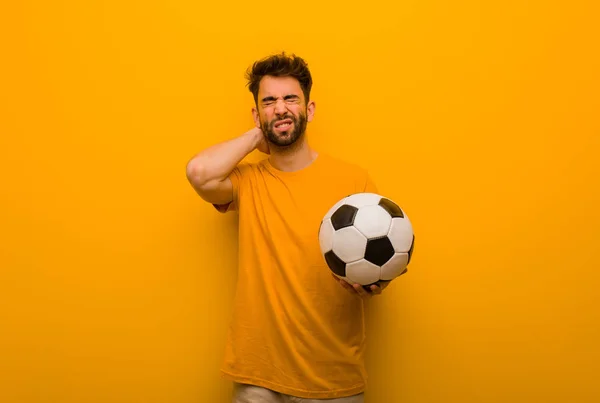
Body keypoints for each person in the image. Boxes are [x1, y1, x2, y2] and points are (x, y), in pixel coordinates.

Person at [186, 52, 405, 402]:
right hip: (258, 376)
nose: (281, 108)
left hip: (332, 378)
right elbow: (199, 173)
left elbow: (379, 258)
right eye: (269, 101)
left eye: (291, 99)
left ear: (310, 109)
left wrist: (373, 284)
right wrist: (255, 136)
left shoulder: (352, 179)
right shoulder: (248, 180)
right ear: (257, 115)